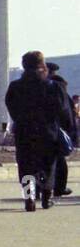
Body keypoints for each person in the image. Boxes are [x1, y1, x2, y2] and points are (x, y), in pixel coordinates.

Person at [5, 52, 72, 211]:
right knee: (48, 166)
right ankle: (46, 198)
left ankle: (29, 199)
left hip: (24, 132)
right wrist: (65, 127)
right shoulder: (53, 86)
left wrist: (21, 120)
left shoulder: (15, 87)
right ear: (43, 66)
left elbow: (11, 106)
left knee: (26, 166)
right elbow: (63, 110)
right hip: (48, 132)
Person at [46, 63, 76, 196]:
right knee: (59, 159)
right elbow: (67, 111)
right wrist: (70, 130)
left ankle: (37, 190)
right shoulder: (60, 88)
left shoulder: (35, 87)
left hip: (36, 129)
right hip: (57, 129)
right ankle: (59, 188)